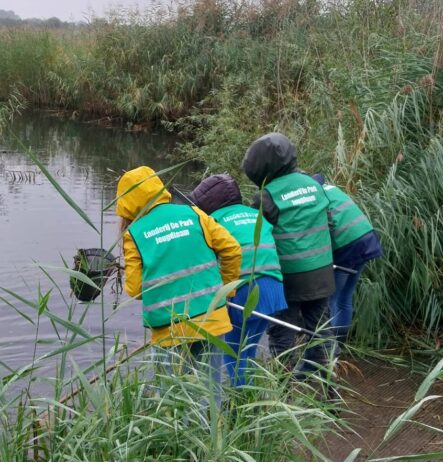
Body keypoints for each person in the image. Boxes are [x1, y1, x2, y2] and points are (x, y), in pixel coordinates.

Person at [116, 166, 242, 396]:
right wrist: (226, 290)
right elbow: (232, 250)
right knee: (210, 391)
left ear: (126, 202)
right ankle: (210, 432)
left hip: (169, 328)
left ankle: (177, 433)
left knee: (171, 394)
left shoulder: (133, 234)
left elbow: (134, 290)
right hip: (212, 317)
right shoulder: (194, 213)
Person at [241, 133, 335, 377]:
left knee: (283, 331)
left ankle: (284, 390)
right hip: (323, 273)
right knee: (321, 329)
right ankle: (328, 385)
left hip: (289, 278)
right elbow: (330, 224)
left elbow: (257, 237)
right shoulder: (313, 184)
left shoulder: (267, 196)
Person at [190, 174, 288, 387]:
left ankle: (238, 408)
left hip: (242, 291)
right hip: (273, 290)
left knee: (232, 351)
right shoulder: (255, 213)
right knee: (248, 349)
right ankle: (247, 399)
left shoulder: (210, 221)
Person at [311, 173, 383, 347]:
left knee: (331, 299)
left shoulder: (313, 198)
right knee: (344, 297)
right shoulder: (330, 189)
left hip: (346, 246)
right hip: (366, 239)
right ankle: (340, 345)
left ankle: (329, 351)